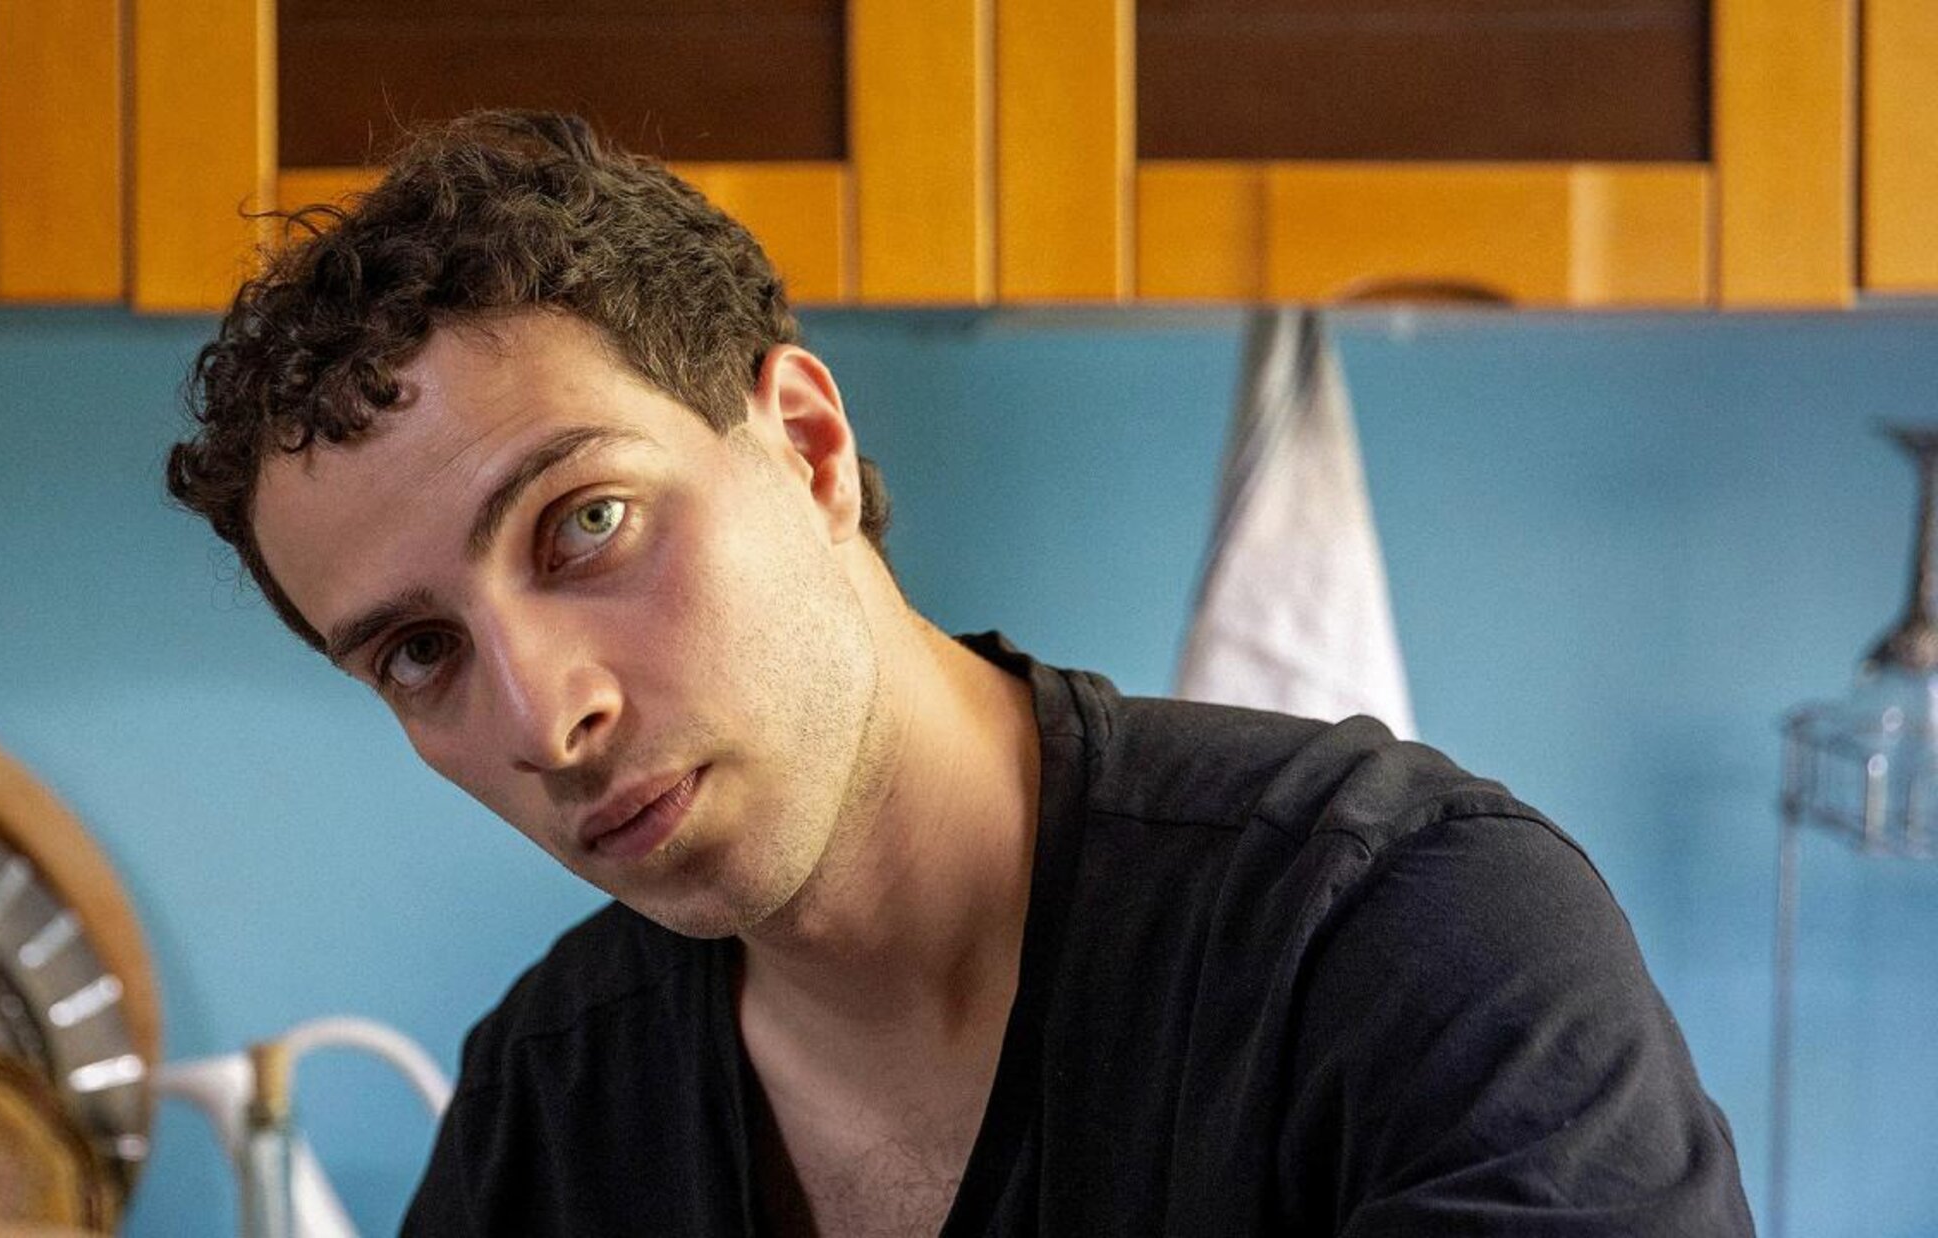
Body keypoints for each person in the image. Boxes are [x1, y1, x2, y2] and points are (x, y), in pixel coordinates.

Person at [165, 110, 1754, 1236]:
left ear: (807, 446)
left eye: (588, 523)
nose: (547, 713)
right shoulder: (551, 1107)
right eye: (422, 651)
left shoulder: (1396, 935)